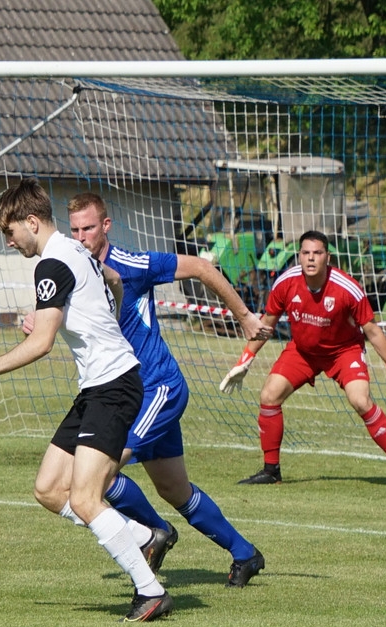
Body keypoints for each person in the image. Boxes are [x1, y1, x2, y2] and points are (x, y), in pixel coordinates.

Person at [29, 191, 269, 588]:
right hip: (126, 393)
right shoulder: (75, 266)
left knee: (98, 477)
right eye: (75, 229)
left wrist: (244, 317)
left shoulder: (132, 264)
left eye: (89, 228)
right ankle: (245, 553)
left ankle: (156, 534)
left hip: (156, 388)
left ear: (106, 226)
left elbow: (200, 267)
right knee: (174, 489)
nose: (82, 236)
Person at [0, 178, 172, 622]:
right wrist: (107, 319)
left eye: (11, 232)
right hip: (98, 387)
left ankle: (150, 591)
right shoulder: (78, 250)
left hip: (113, 386)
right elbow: (113, 279)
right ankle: (143, 537)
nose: (10, 242)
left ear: (31, 222)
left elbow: (41, 344)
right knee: (49, 489)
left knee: (85, 498)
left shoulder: (52, 264)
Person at [220, 229, 386, 490]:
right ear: (299, 256)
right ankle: (271, 470)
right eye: (306, 253)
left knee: (360, 401)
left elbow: (373, 331)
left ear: (327, 257)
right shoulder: (285, 283)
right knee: (269, 395)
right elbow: (267, 323)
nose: (310, 258)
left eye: (317, 253)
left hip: (343, 351)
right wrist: (245, 360)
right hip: (303, 351)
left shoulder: (347, 288)